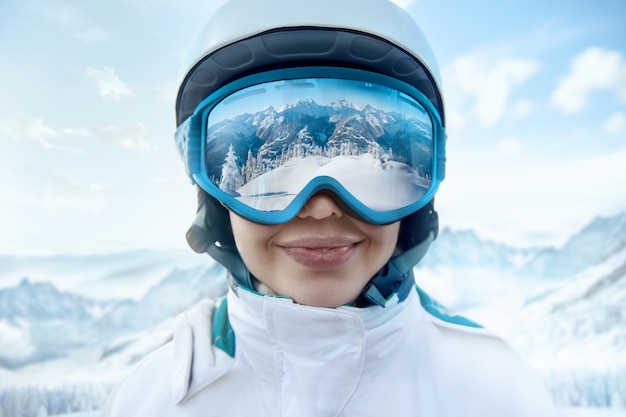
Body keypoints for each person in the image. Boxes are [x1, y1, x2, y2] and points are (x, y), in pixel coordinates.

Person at [102, 0, 558, 415]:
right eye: (264, 184)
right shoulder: (154, 398)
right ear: (215, 203)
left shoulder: (498, 393)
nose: (320, 208)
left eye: (377, 182)